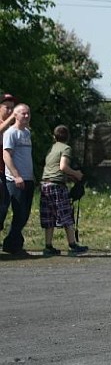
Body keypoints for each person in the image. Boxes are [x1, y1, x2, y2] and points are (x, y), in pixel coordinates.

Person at [40, 125, 88, 256]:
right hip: (57, 186)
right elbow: (62, 166)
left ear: (54, 137)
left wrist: (69, 176)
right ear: (68, 137)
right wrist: (76, 174)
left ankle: (48, 246)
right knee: (66, 214)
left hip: (45, 184)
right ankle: (72, 244)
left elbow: (54, 168)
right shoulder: (66, 148)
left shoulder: (52, 148)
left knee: (49, 216)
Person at [2, 103, 35, 255]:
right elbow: (6, 155)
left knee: (25, 214)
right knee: (19, 212)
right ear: (15, 115)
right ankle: (11, 244)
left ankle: (13, 242)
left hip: (28, 179)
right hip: (15, 180)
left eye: (28, 113)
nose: (26, 116)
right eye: (23, 113)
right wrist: (16, 175)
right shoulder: (11, 133)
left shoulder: (27, 133)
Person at [0, 93, 17, 232]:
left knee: (5, 204)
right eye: (7, 107)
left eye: (13, 108)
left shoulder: (12, 128)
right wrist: (12, 118)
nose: (10, 111)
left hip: (7, 172)